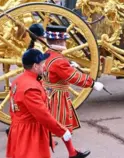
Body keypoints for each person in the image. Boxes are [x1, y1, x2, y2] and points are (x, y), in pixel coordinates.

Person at [43, 25, 105, 158]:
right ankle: (69, 152)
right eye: (64, 41)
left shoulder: (47, 54)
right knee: (61, 126)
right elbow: (74, 78)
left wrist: (70, 65)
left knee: (50, 125)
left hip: (48, 93)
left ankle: (71, 152)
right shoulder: (59, 61)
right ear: (60, 42)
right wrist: (93, 84)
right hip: (57, 96)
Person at [6, 49, 71, 158]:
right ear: (35, 66)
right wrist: (61, 131)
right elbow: (42, 114)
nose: (45, 66)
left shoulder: (19, 80)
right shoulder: (31, 88)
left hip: (18, 129)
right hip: (29, 133)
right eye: (42, 64)